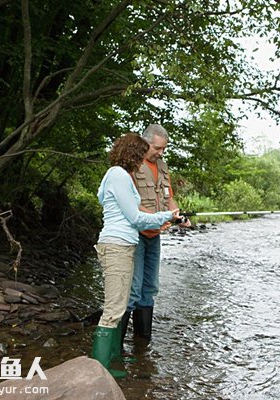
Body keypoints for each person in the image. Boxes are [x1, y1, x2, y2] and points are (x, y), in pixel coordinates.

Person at [92, 133, 180, 378]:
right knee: (114, 307)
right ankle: (101, 368)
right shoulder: (119, 175)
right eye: (142, 153)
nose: (145, 158)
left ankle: (112, 358)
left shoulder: (116, 176)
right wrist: (166, 217)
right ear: (133, 152)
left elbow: (104, 198)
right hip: (117, 245)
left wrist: (167, 214)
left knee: (119, 304)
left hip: (122, 243)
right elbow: (135, 217)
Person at [121, 124, 190, 343]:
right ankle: (117, 349)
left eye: (163, 149)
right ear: (146, 142)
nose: (160, 153)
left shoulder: (162, 166)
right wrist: (160, 217)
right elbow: (130, 205)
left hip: (155, 235)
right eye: (157, 148)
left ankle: (143, 344)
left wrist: (176, 214)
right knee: (133, 289)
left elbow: (169, 197)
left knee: (149, 288)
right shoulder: (130, 165)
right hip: (135, 234)